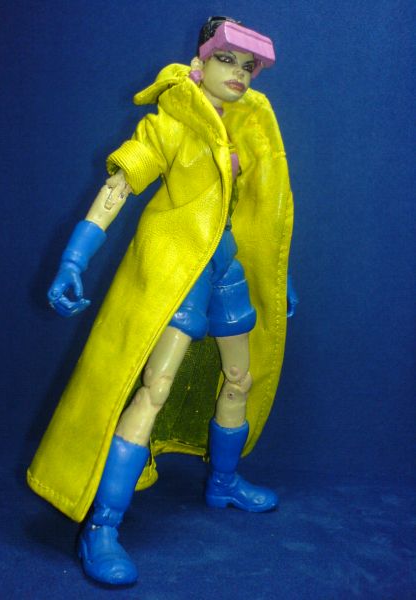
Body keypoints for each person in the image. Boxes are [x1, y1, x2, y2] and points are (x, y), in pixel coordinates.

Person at [27, 16, 297, 586]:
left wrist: (278, 276)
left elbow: (261, 214)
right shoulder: (170, 123)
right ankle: (102, 525)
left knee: (240, 378)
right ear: (200, 62)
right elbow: (119, 185)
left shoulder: (247, 127)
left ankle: (223, 483)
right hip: (181, 273)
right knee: (153, 388)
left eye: (249, 67)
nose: (240, 74)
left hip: (227, 269)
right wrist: (75, 258)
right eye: (228, 60)